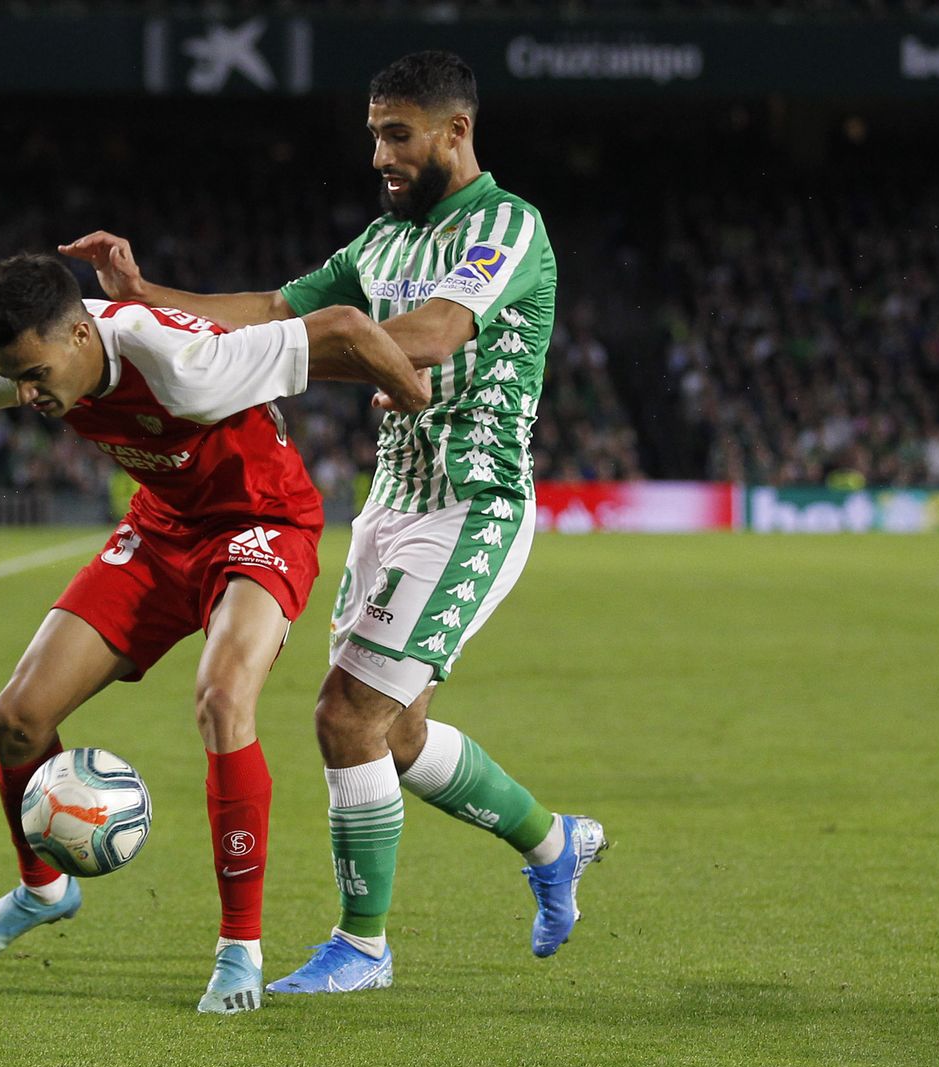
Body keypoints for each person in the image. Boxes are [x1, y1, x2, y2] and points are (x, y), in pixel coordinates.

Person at [0, 253, 425, 1013]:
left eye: (33, 375)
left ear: (81, 335)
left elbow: (344, 326)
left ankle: (239, 950)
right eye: (11, 377)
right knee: (17, 719)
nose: (24, 395)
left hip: (262, 524)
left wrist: (409, 390)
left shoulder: (186, 363)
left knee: (222, 701)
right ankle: (43, 888)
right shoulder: (32, 355)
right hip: (161, 530)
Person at [61, 50, 606, 994]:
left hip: (472, 504)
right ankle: (554, 842)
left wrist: (319, 350)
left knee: (345, 715)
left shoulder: (508, 228)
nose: (381, 157)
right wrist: (147, 302)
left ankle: (364, 948)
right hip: (389, 508)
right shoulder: (380, 243)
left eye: (399, 135)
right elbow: (274, 311)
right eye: (374, 137)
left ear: (456, 131)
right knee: (392, 736)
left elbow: (432, 337)